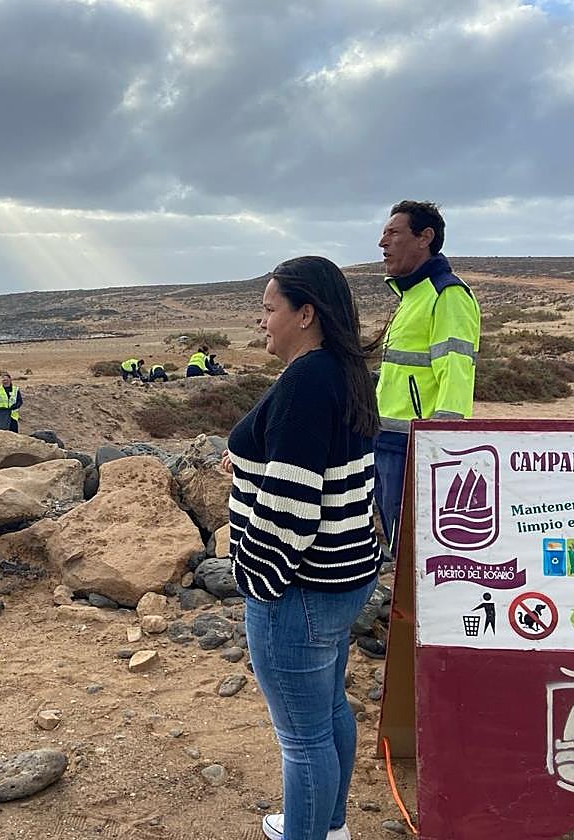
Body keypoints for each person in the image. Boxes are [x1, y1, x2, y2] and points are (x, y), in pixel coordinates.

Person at [224, 256, 380, 840]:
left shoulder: (306, 384)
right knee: (329, 711)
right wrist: (247, 462)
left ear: (305, 313)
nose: (262, 321)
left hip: (299, 588)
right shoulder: (343, 370)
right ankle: (329, 826)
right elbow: (325, 467)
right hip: (342, 576)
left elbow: (293, 506)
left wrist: (257, 582)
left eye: (269, 309)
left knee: (303, 735)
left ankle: (309, 832)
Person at [374, 200, 480, 553]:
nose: (382, 242)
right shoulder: (412, 295)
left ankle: (417, 609)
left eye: (393, 233)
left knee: (417, 543)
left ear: (425, 238)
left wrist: (442, 440)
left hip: (417, 445)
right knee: (398, 536)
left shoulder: (446, 294)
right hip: (388, 438)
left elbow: (456, 369)